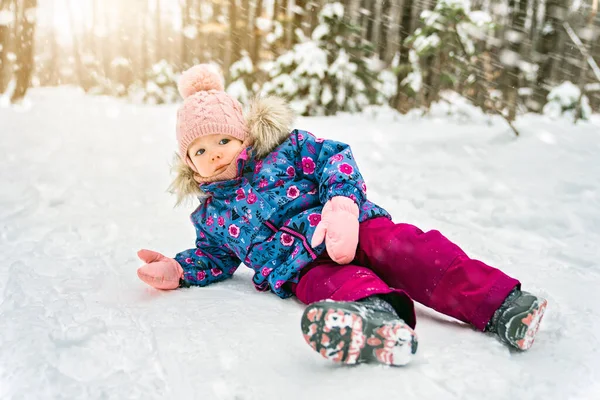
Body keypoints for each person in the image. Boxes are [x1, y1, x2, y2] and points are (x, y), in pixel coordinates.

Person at [137, 64, 547, 366]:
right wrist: (179, 269)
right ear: (190, 164)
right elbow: (214, 256)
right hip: (301, 266)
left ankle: (501, 305)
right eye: (201, 151)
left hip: (354, 225)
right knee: (325, 283)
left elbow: (336, 159)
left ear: (243, 133)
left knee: (407, 250)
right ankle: (376, 321)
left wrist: (342, 205)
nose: (215, 154)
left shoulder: (287, 148)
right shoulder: (211, 217)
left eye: (223, 139)